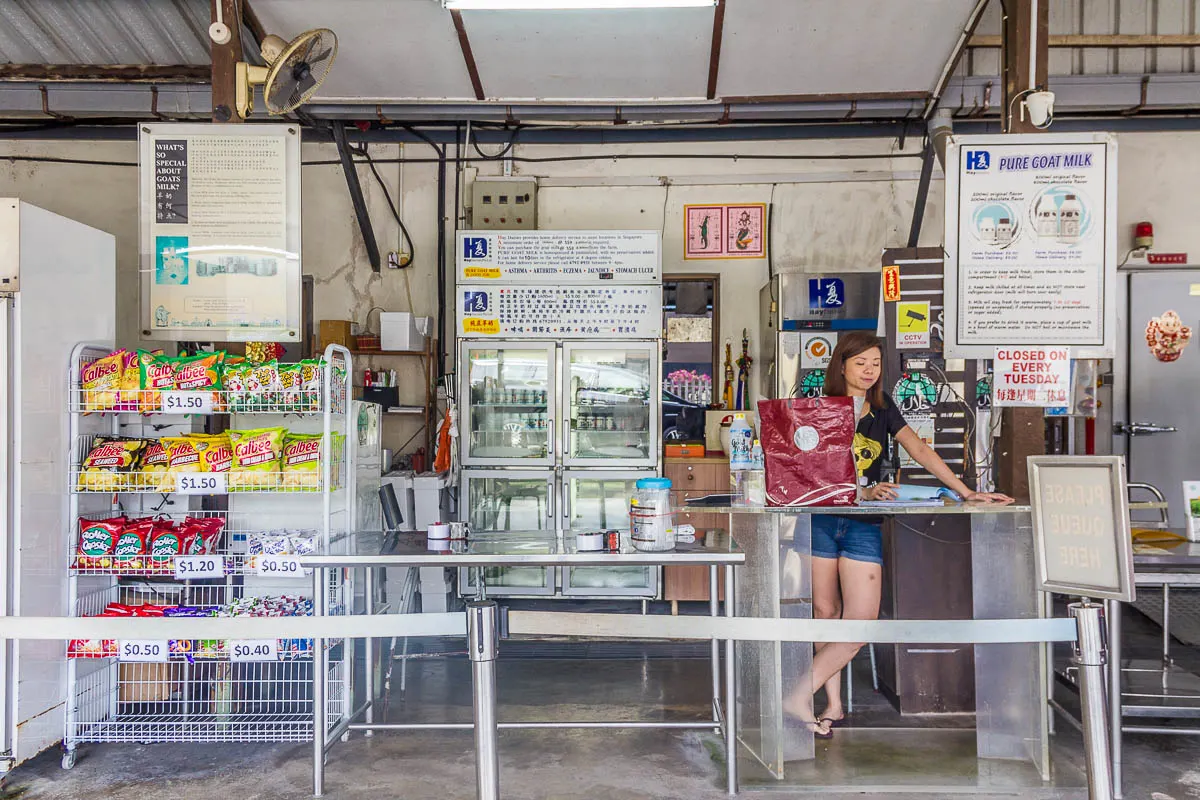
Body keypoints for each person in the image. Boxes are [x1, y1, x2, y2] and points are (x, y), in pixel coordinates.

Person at [782, 332, 1011, 736]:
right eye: (860, 363)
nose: (869, 371)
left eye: (875, 363)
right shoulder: (819, 408)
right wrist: (861, 490)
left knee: (862, 621)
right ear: (842, 365)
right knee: (825, 615)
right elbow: (808, 470)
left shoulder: (884, 408)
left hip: (863, 526)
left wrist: (966, 492)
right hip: (819, 518)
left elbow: (921, 451)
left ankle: (799, 693)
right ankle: (831, 704)